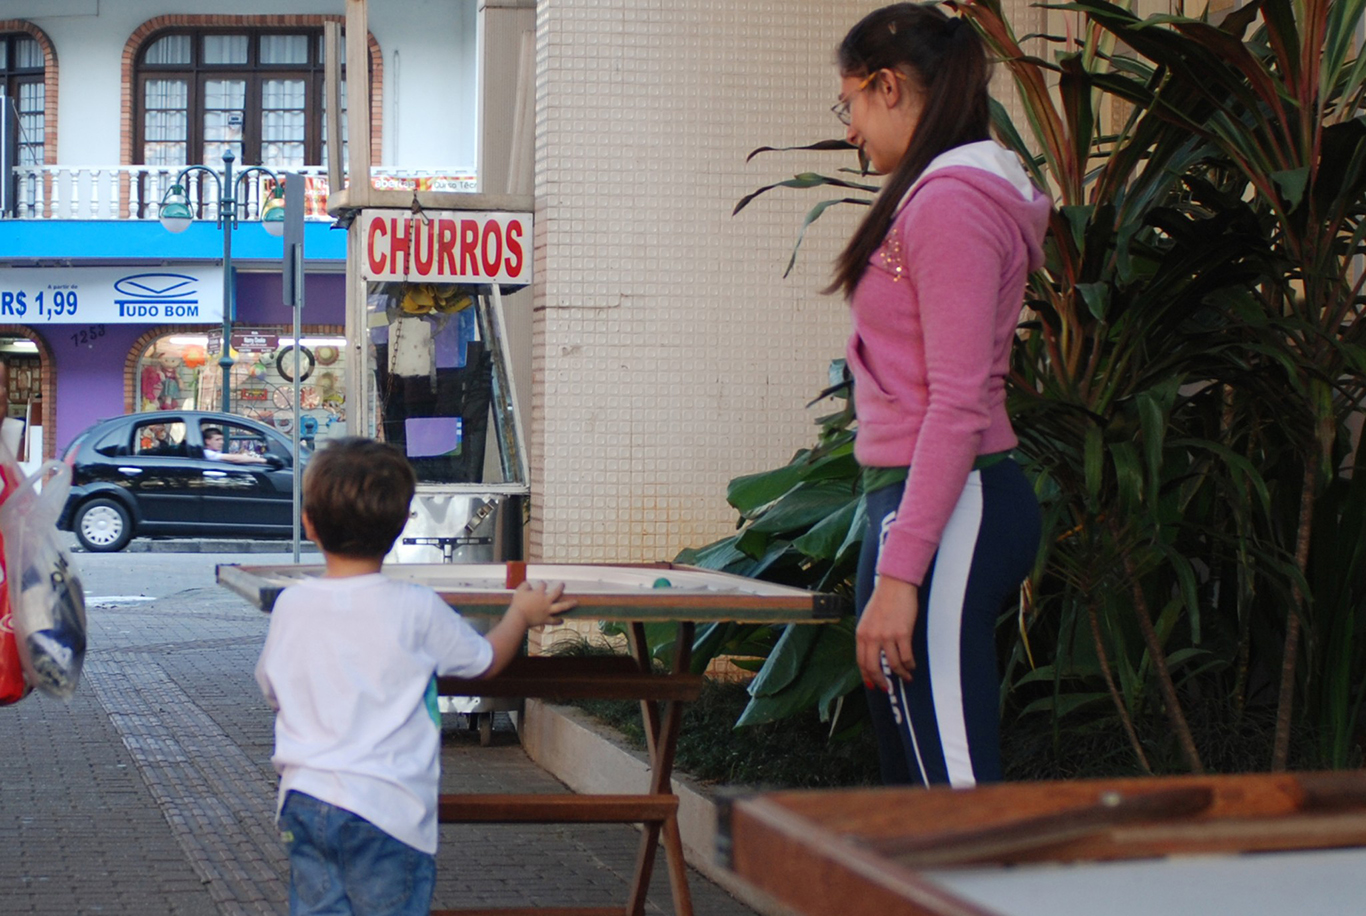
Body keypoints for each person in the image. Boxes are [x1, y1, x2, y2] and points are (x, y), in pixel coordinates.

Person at [831, 3, 1048, 788]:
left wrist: (900, 577)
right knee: (917, 794)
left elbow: (959, 403)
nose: (849, 128)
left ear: (887, 87)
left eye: (848, 101)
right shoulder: (934, 193)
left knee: (953, 801)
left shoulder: (952, 203)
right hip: (918, 505)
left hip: (956, 504)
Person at [255, 437, 575, 915]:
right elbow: (483, 662)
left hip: (306, 800)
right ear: (403, 524)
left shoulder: (292, 605)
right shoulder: (415, 608)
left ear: (310, 525)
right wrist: (520, 616)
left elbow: (273, 691)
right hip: (388, 810)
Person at [201, 425, 267, 465]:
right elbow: (234, 458)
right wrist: (261, 460)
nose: (222, 442)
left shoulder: (213, 453)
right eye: (217, 440)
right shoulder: (208, 453)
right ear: (207, 441)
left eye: (222, 439)